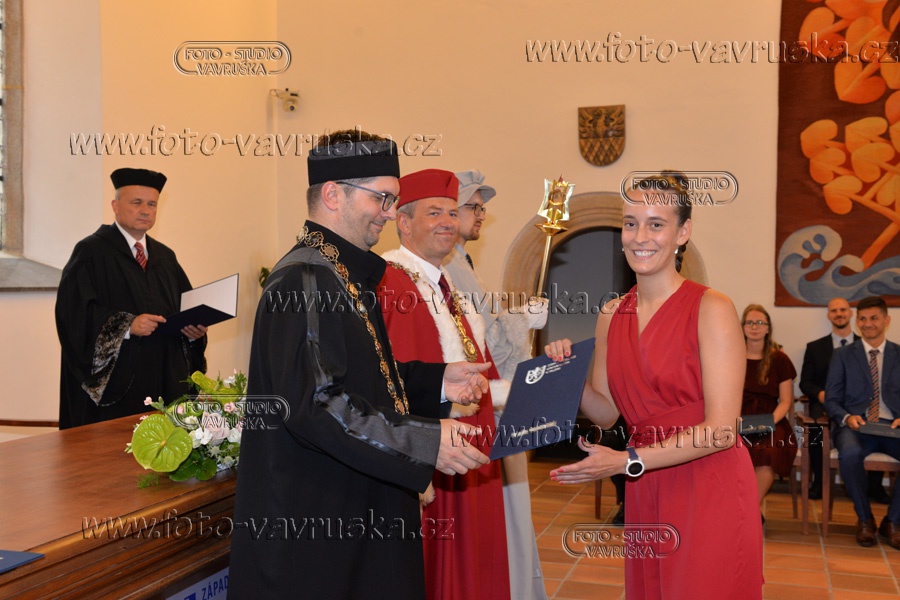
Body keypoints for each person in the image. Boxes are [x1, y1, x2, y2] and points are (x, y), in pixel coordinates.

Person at [228, 132, 493, 600]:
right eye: (382, 198)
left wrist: (437, 382)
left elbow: (363, 378)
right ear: (333, 195)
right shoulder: (305, 278)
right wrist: (425, 440)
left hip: (357, 506)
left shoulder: (343, 273)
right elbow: (318, 404)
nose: (391, 212)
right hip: (322, 522)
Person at [545, 172, 763, 599]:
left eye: (656, 224)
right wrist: (569, 376)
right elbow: (606, 412)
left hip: (706, 480)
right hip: (645, 480)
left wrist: (627, 460)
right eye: (630, 224)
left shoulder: (712, 308)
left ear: (683, 232)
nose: (639, 237)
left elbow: (722, 430)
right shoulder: (611, 314)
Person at [379, 168, 509, 600]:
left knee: (477, 558)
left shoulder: (445, 281)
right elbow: (393, 380)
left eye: (453, 213)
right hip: (438, 450)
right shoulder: (393, 283)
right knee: (441, 566)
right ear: (403, 221)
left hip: (472, 444)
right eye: (434, 213)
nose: (448, 222)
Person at [443, 169, 548, 600]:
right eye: (472, 206)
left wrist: (519, 317)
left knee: (512, 507)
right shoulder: (448, 265)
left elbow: (485, 330)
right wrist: (522, 319)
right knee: (502, 513)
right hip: (476, 403)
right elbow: (480, 340)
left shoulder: (462, 262)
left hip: (493, 398)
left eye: (482, 207)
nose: (481, 214)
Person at [55, 168, 208, 429]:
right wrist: (127, 326)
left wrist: (194, 332)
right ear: (115, 206)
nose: (145, 210)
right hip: (117, 391)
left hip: (164, 380)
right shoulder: (91, 252)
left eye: (152, 204)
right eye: (137, 203)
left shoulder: (165, 257)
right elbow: (73, 316)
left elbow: (186, 308)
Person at [824, 295, 900, 549]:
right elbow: (831, 399)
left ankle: (893, 521)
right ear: (857, 321)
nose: (867, 324)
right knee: (850, 454)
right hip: (855, 427)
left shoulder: (899, 354)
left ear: (886, 320)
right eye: (863, 319)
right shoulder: (843, 355)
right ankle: (865, 519)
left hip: (892, 427)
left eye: (874, 318)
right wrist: (847, 416)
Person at [740, 303, 798, 521]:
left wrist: (767, 421)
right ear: (742, 327)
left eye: (760, 322)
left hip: (772, 418)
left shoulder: (780, 359)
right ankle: (740, 510)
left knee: (766, 452)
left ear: (767, 328)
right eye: (749, 322)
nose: (754, 327)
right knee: (728, 449)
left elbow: (786, 401)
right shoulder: (731, 355)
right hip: (737, 417)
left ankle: (748, 512)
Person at [799, 297, 860, 500]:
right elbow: (805, 382)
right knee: (815, 428)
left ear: (851, 313)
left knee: (873, 423)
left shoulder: (865, 345)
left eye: (843, 310)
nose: (839, 314)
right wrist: (821, 394)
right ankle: (818, 482)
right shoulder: (814, 347)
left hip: (857, 406)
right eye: (834, 311)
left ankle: (873, 486)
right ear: (828, 316)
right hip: (824, 403)